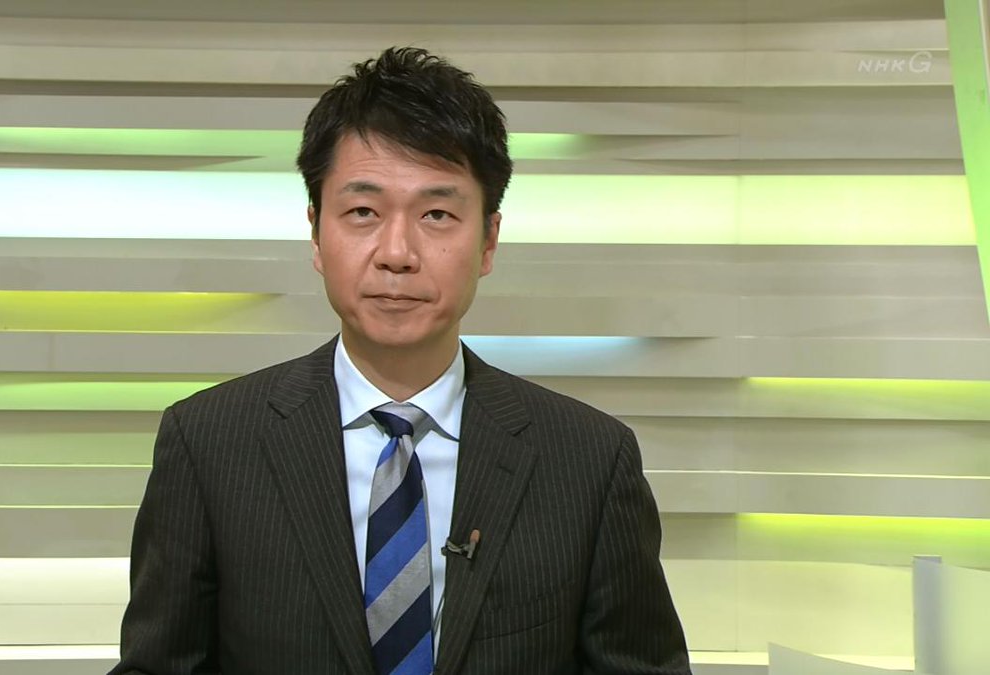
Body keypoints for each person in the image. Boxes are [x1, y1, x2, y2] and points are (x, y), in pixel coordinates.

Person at [109, 46, 690, 675]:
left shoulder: (590, 461)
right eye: (363, 212)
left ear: (488, 241)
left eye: (437, 214)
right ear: (316, 232)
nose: (397, 253)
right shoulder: (208, 444)